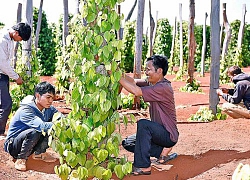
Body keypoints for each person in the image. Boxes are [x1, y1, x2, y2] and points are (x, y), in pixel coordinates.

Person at [119, 55, 179, 175]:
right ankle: (161, 152)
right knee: (128, 142)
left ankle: (143, 167)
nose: (146, 72)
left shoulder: (163, 87)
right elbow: (132, 82)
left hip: (167, 135)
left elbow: (136, 91)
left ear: (159, 71)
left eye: (148, 69)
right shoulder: (152, 83)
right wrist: (117, 72)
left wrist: (114, 76)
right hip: (157, 134)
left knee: (144, 124)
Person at [4, 81, 62, 171]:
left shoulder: (49, 109)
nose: (51, 101)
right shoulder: (26, 110)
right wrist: (60, 124)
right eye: (48, 97)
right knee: (39, 129)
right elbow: (41, 126)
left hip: (30, 141)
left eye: (52, 98)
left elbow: (60, 117)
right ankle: (21, 159)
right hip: (14, 145)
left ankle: (39, 153)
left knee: (53, 125)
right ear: (38, 96)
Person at [0, 22, 31, 136]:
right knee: (6, 104)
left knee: (2, 104)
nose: (20, 40)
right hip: (1, 74)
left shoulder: (9, 37)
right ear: (16, 32)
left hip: (4, 75)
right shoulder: (2, 40)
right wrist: (16, 77)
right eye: (20, 38)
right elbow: (2, 63)